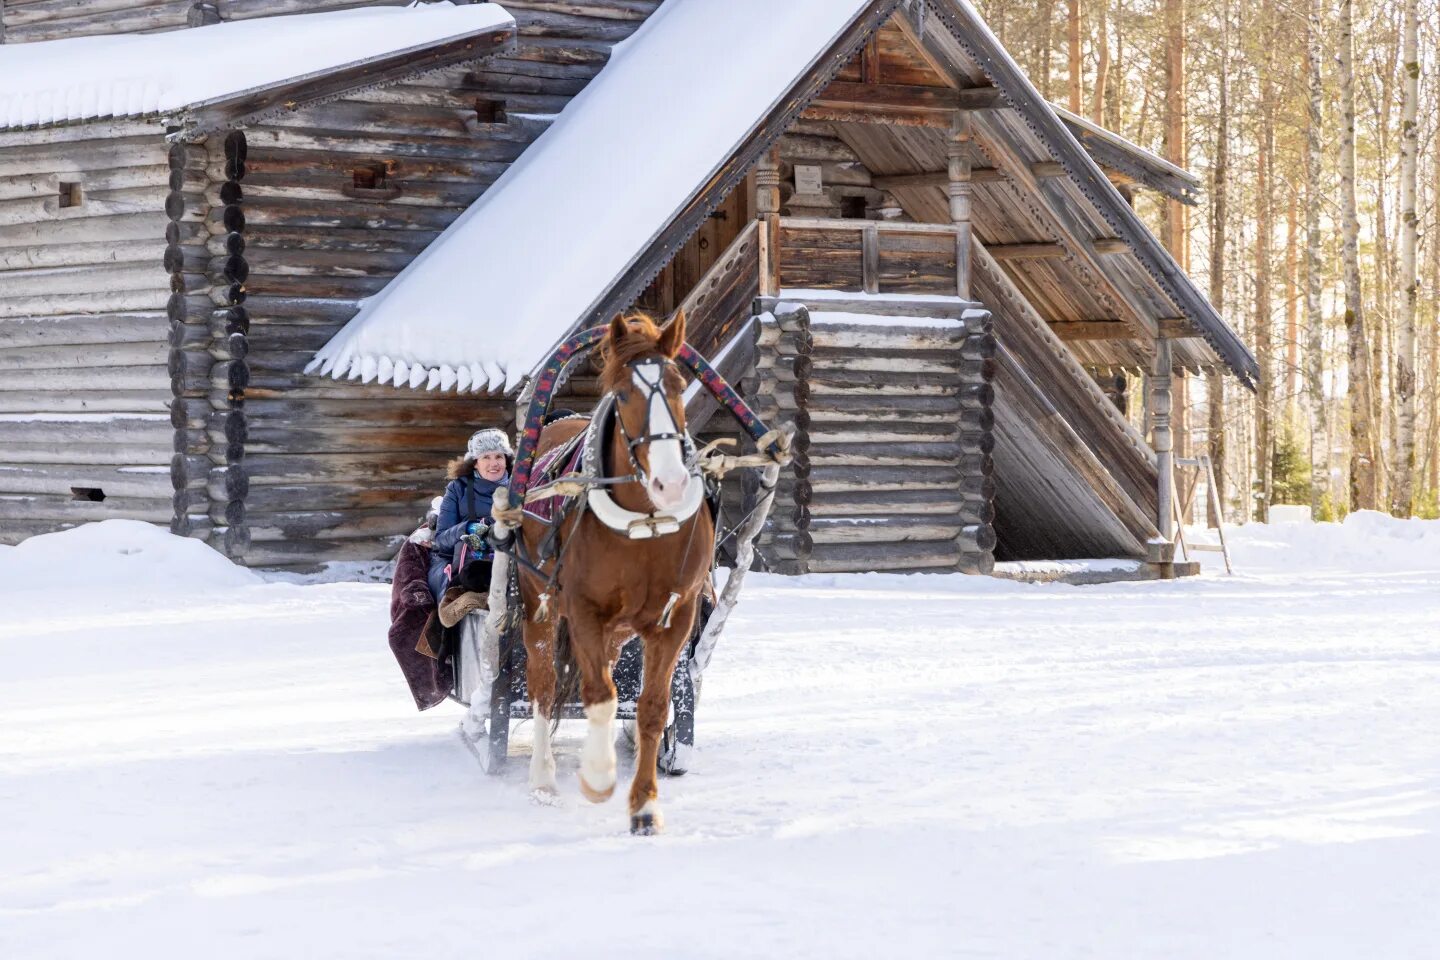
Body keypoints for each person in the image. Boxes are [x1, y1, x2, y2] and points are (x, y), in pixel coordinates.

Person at [428, 428, 513, 620]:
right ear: (475, 462)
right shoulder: (458, 489)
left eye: (499, 456)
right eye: (486, 457)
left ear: (506, 459)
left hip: (510, 561)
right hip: (468, 565)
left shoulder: (521, 488)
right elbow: (441, 540)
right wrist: (466, 528)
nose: (494, 464)